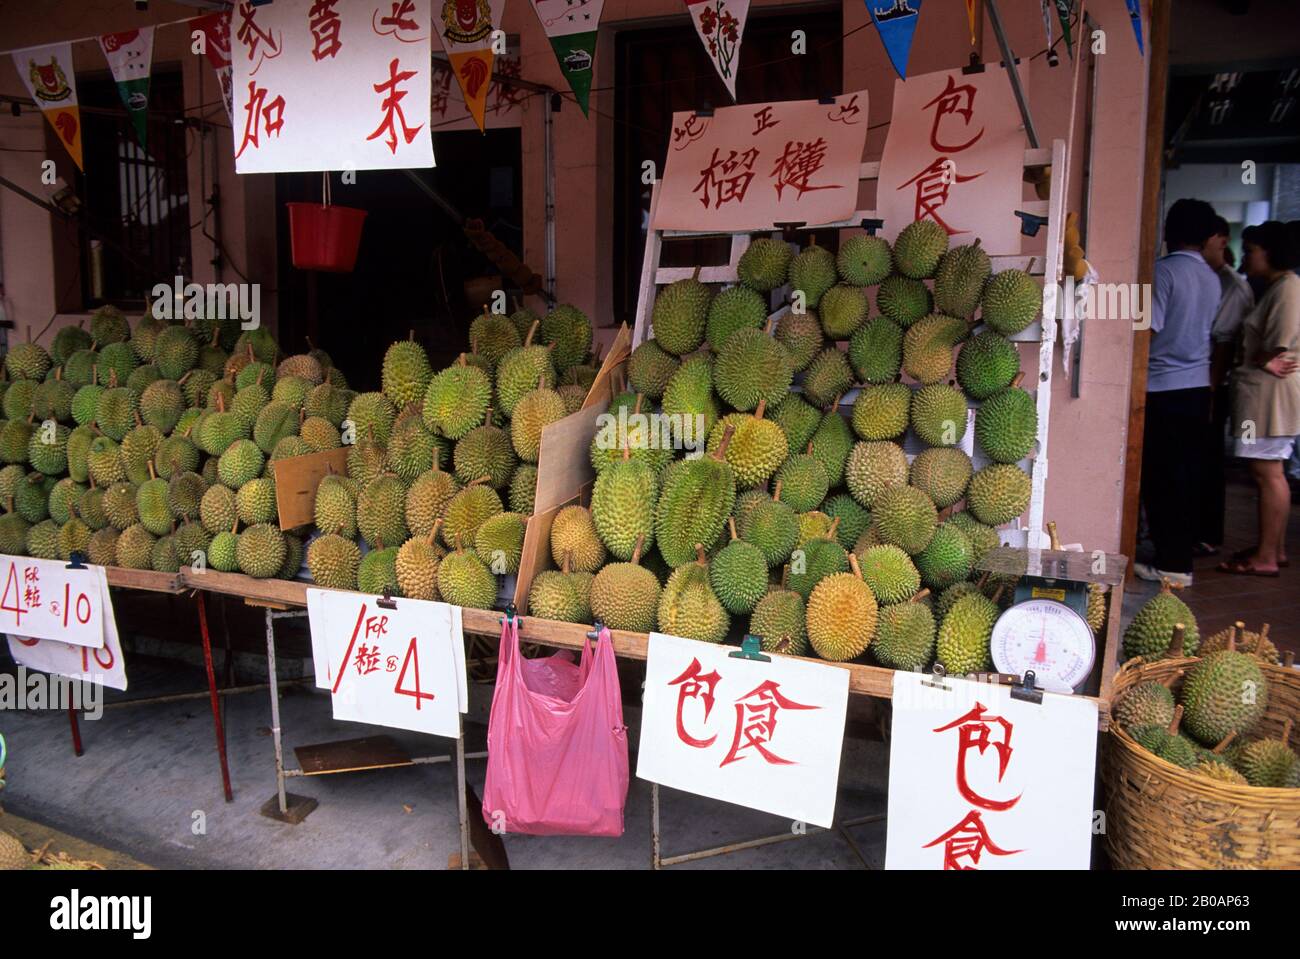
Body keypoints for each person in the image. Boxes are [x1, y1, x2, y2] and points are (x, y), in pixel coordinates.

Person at [1136, 198, 1221, 586]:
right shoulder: (1212, 278)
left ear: (1167, 232)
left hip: (1162, 389)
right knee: (1186, 477)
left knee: (1160, 477)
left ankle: (1171, 564)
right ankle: (1179, 558)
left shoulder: (1163, 273)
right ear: (1206, 238)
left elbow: (1146, 332)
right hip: (1197, 387)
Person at [1217, 220, 1300, 577]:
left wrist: (1255, 357)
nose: (1247, 258)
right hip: (1265, 396)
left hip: (1269, 398)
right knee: (1268, 471)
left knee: (1268, 472)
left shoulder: (1287, 289)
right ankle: (1273, 549)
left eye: (1251, 251)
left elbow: (1276, 343)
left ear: (1270, 252)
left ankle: (1266, 555)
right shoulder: (1278, 286)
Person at [1195, 216, 1254, 556]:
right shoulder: (1213, 280)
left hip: (1211, 384)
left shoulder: (1232, 285)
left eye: (1215, 244)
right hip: (1202, 382)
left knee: (1208, 462)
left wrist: (1212, 391)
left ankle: (1207, 533)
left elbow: (1224, 344)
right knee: (1199, 460)